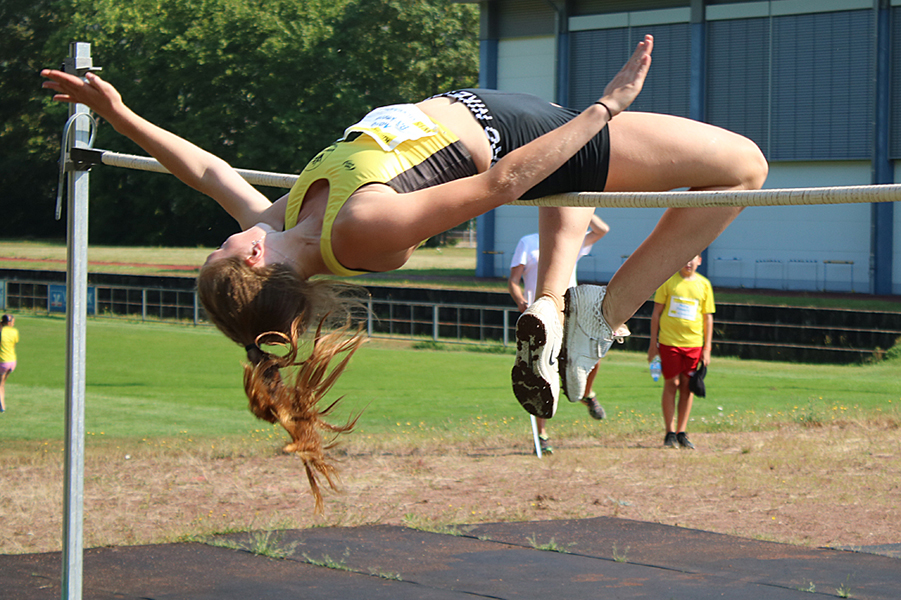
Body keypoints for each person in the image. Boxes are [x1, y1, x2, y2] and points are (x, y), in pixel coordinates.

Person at [42, 34, 767, 508]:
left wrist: (122, 114)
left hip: (509, 122)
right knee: (742, 167)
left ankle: (557, 316)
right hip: (515, 138)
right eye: (222, 250)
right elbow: (500, 186)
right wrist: (606, 107)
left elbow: (204, 168)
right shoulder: (358, 230)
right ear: (253, 262)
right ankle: (603, 317)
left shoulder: (277, 223)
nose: (226, 239)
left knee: (566, 205)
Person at [508, 215, 609, 454]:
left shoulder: (571, 240)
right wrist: (521, 301)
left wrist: (582, 207)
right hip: (540, 317)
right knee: (541, 373)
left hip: (570, 314)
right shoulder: (528, 242)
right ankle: (541, 435)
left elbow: (602, 229)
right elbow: (513, 280)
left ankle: (586, 393)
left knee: (595, 354)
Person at [646, 255, 714, 449]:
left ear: (699, 261)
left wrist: (707, 348)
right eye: (685, 258)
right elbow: (656, 314)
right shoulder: (668, 281)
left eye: (692, 259)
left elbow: (707, 318)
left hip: (694, 344)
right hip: (670, 343)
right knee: (672, 383)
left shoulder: (704, 285)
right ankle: (669, 432)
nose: (688, 263)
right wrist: (653, 344)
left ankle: (681, 432)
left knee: (687, 386)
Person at [0, 314, 19, 413]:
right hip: (12, 362)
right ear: (9, 322)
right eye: (13, 322)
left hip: (2, 362)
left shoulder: (1, 331)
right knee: (2, 384)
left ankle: (2, 406)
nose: (13, 323)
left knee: (0, 384)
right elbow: (15, 343)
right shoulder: (14, 331)